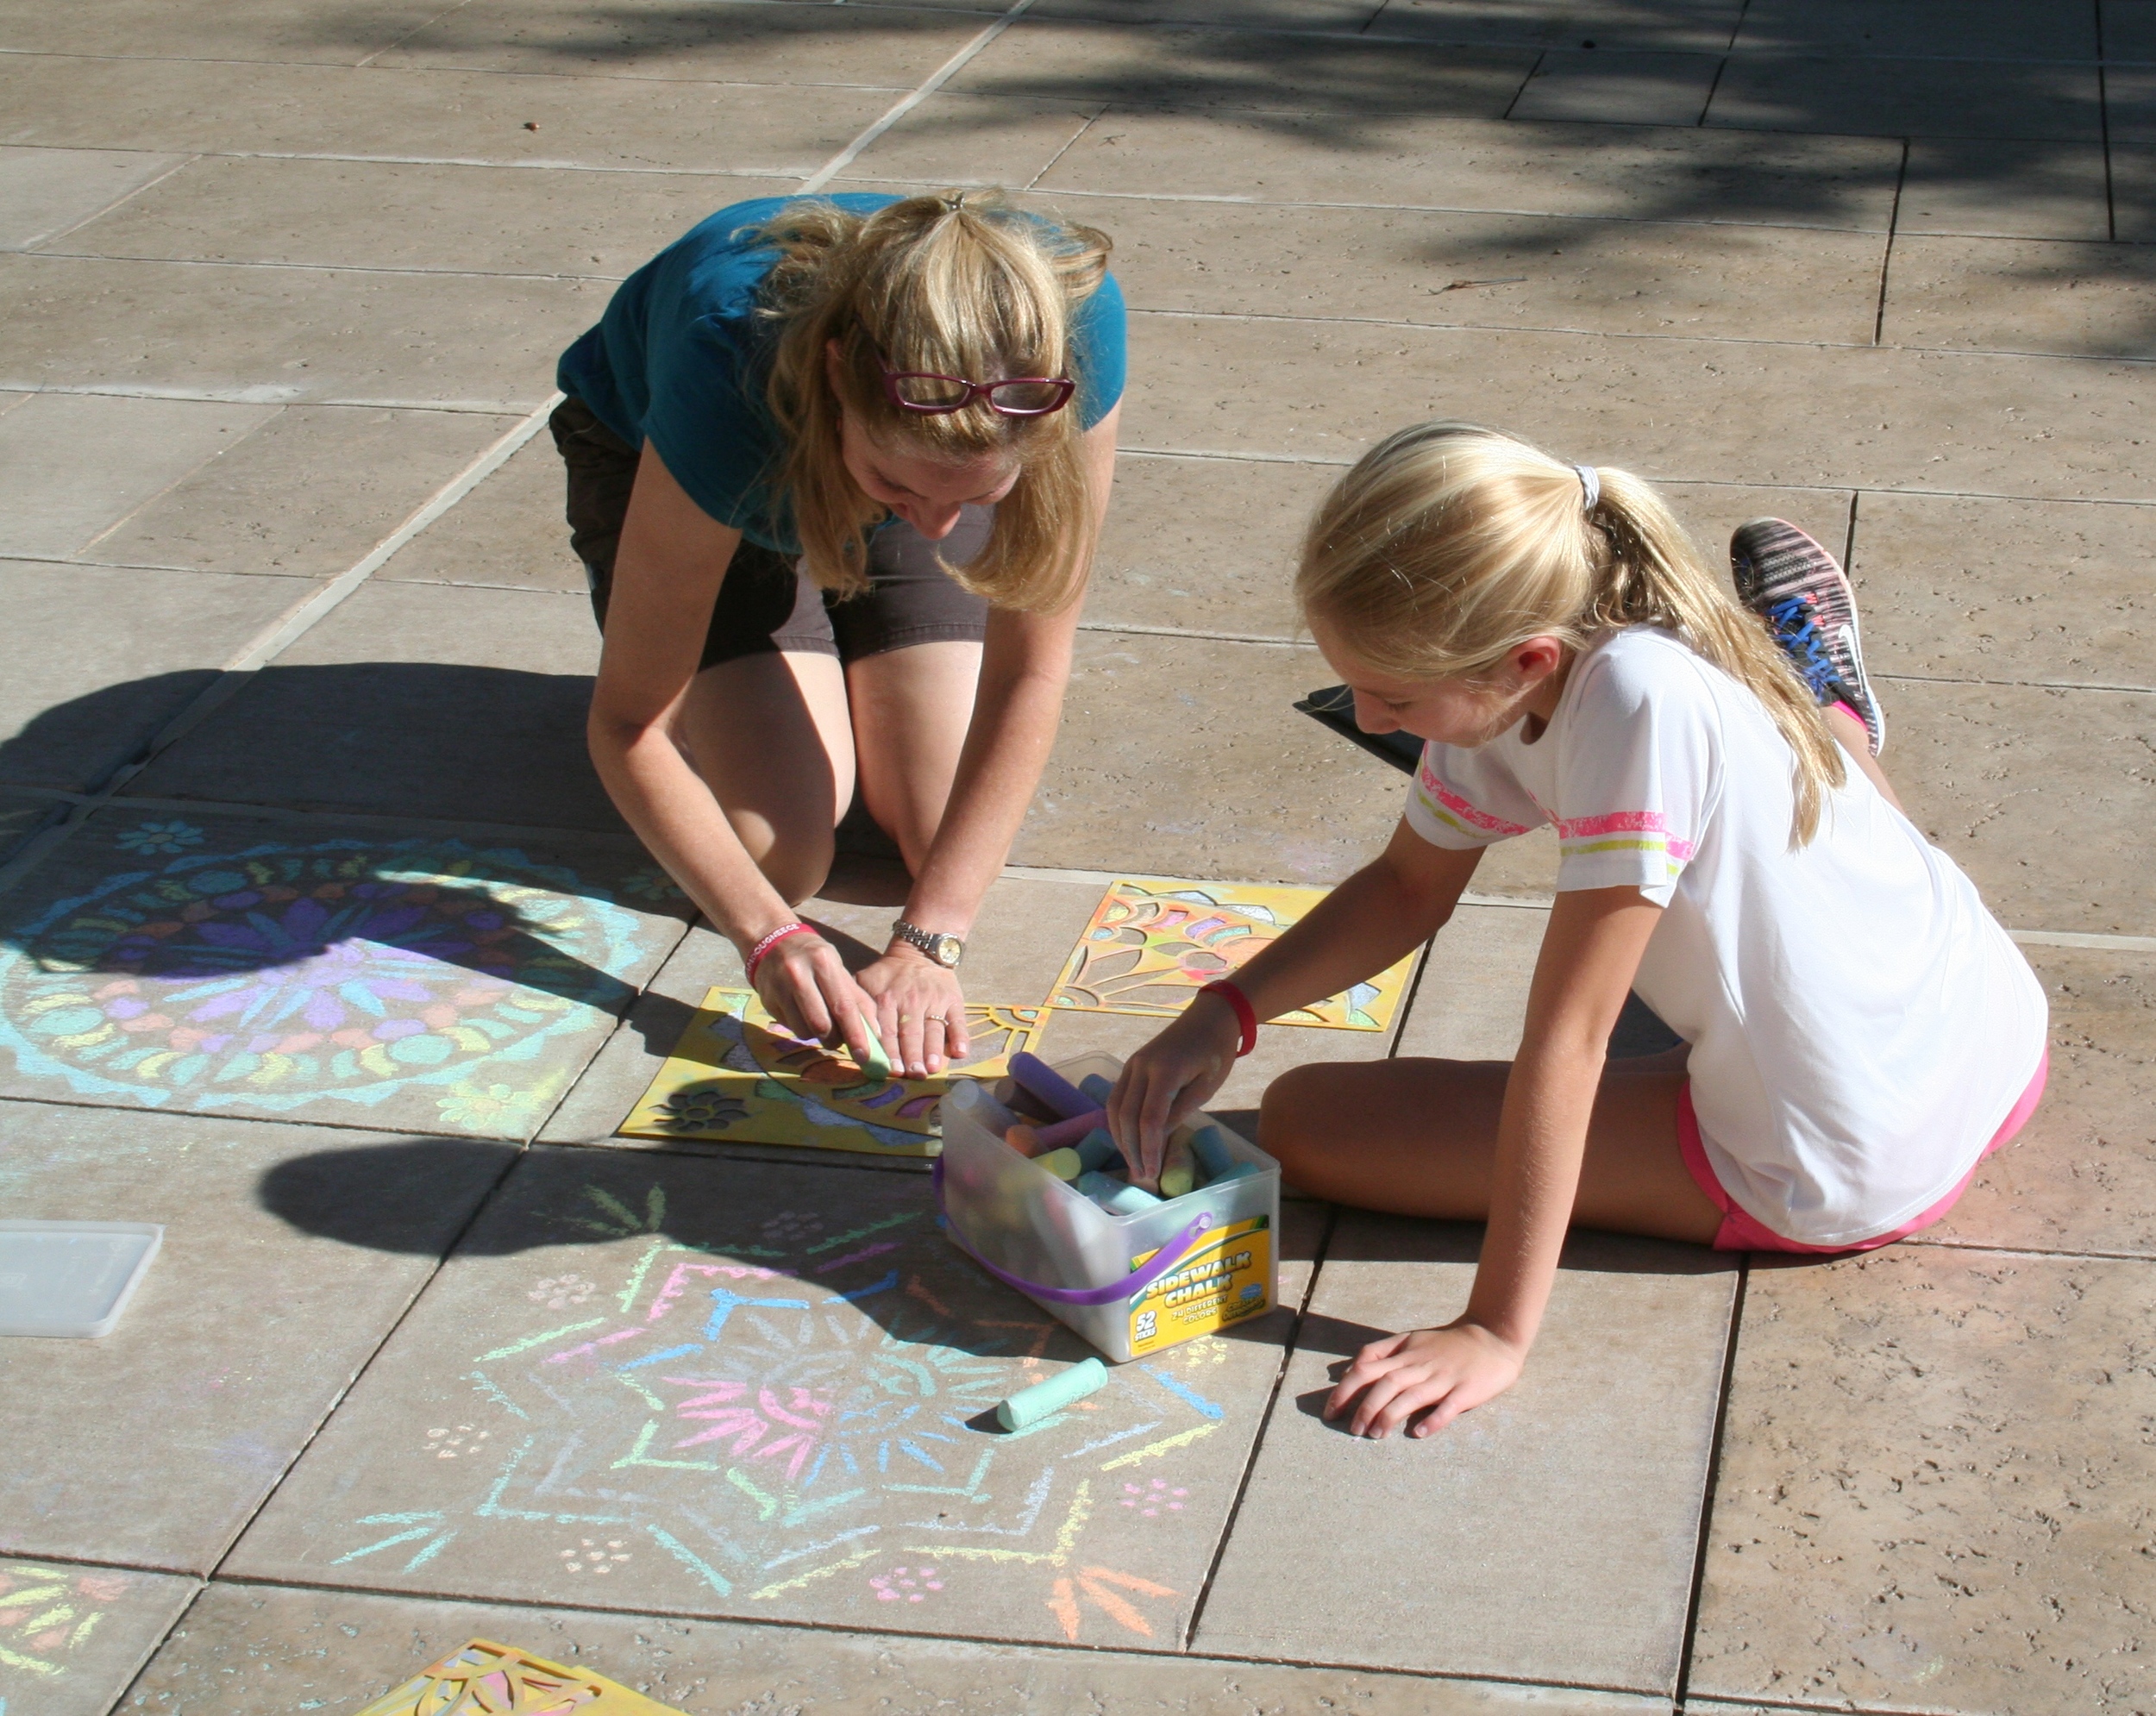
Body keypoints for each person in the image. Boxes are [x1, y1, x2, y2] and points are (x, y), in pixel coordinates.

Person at [1106, 422, 2047, 1441]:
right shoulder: (1573, 627)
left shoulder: (1634, 713)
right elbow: (1405, 887)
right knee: (1777, 807)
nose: (1371, 722)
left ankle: (1822, 713)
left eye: (1393, 697)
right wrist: (1225, 1010)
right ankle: (1822, 706)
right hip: (1994, 1028)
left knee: (1306, 1122)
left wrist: (1495, 1329)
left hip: (1843, 1157)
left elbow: (1569, 1043)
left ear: (1526, 661)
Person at [552, 190, 1123, 1080]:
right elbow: (629, 725)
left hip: (878, 438)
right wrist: (766, 933)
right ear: (832, 380)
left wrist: (931, 940)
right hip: (695, 464)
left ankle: (849, 638)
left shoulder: (1072, 326)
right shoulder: (722, 364)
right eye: (900, 491)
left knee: (948, 842)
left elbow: (1032, 671)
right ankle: (810, 639)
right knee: (776, 854)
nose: (938, 529)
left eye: (975, 496)